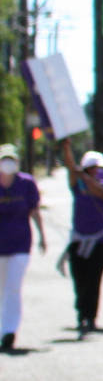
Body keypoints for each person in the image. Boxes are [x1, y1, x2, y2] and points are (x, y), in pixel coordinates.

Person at [58, 141, 103, 333]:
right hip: (79, 240)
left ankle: (91, 316)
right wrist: (67, 148)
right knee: (80, 279)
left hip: (100, 242)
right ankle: (81, 313)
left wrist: (85, 177)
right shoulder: (79, 186)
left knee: (94, 280)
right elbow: (70, 167)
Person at [0, 143, 46, 352]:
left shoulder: (26, 183)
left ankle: (9, 331)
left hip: (20, 242)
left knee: (13, 287)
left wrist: (43, 236)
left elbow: (35, 211)